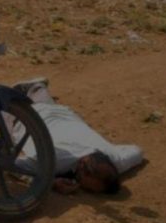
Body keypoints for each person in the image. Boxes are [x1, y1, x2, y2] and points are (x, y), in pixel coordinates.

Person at [11, 78, 144, 195]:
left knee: (44, 100)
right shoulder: (57, 159)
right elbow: (12, 166)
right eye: (79, 178)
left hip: (60, 112)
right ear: (81, 165)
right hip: (22, 119)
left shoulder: (118, 160)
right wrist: (51, 183)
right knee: (0, 107)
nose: (78, 184)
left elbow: (138, 151)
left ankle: (36, 88)